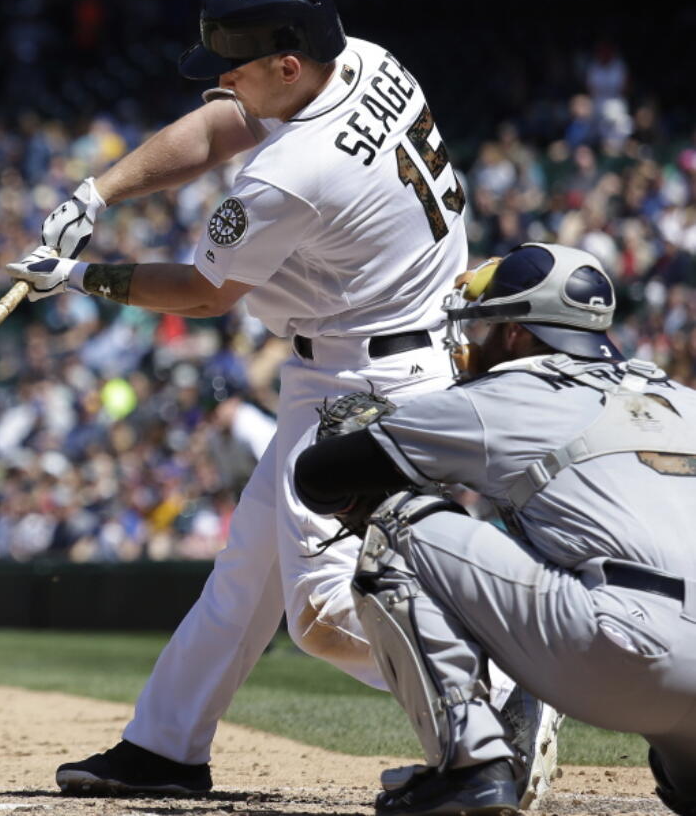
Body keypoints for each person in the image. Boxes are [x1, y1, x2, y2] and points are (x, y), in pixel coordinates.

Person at [7, 0, 556, 803]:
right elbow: (226, 122)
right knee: (245, 578)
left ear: (289, 64)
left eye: (236, 63)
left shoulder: (292, 170)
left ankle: (498, 695)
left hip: (368, 379)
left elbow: (204, 291)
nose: (222, 78)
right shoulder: (367, 60)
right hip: (372, 350)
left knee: (327, 615)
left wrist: (81, 277)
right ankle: (165, 746)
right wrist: (99, 190)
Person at [293, 242, 696, 816]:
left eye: (484, 324)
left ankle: (472, 767)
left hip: (622, 657)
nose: (471, 338)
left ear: (515, 335)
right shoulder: (682, 398)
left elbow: (317, 474)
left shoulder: (505, 393)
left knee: (399, 526)